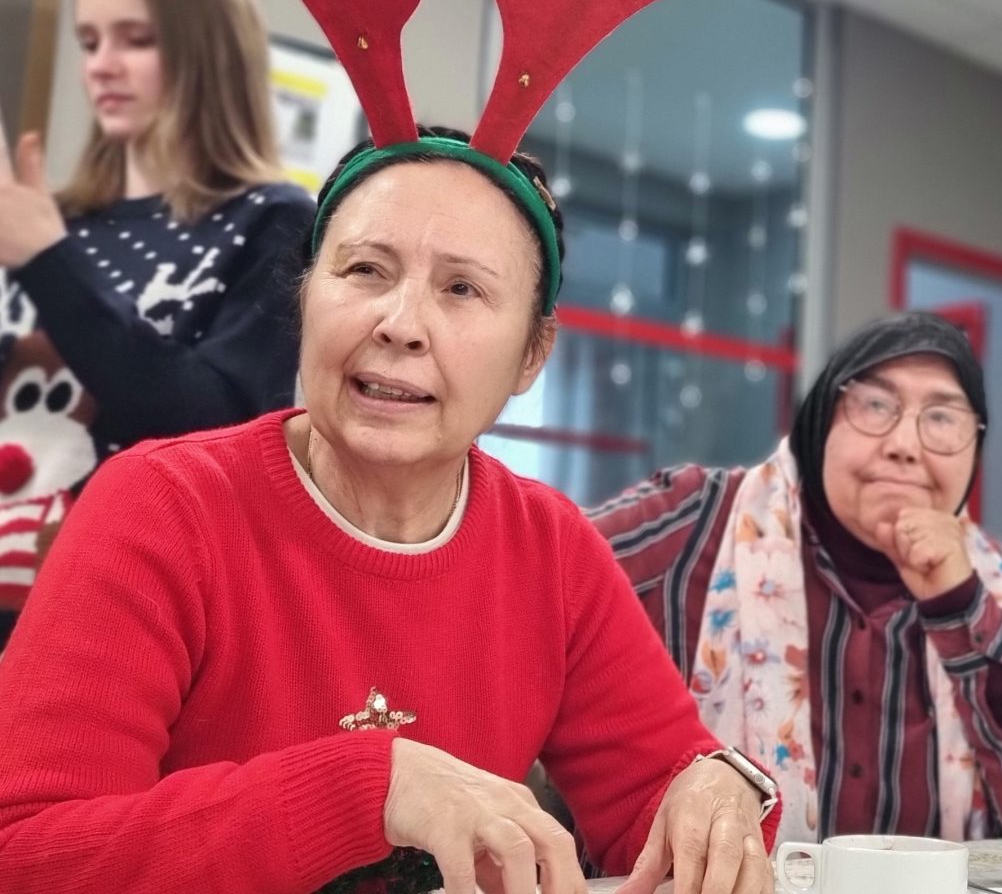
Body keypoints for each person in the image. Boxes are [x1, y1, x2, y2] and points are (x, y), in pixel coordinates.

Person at [0, 128, 779, 894]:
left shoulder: (552, 550)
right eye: (366, 269)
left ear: (532, 356)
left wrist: (715, 794)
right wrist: (366, 788)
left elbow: (661, 800)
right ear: (306, 294)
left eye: (462, 289)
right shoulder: (162, 507)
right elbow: (26, 855)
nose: (401, 325)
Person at [589, 311, 1002, 843]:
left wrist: (962, 607)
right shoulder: (697, 520)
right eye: (875, 405)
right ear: (821, 418)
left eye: (941, 418)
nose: (906, 444)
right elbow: (527, 582)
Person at [0, 0, 315, 637]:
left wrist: (46, 261)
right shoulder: (51, 218)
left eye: (134, 40)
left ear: (209, 53)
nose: (101, 65)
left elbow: (217, 425)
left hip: (115, 610)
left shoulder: (273, 219)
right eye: (88, 41)